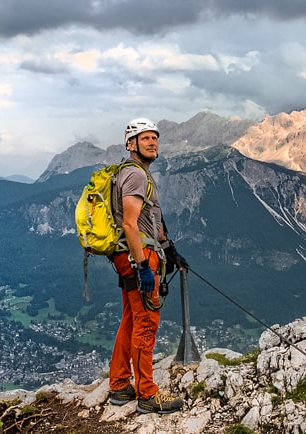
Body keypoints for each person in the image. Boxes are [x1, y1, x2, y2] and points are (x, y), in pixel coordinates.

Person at [103, 118, 187, 414]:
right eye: (145, 138)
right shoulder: (136, 176)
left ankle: (119, 384)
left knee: (130, 318)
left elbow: (149, 220)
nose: (152, 142)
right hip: (138, 257)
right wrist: (143, 267)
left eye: (155, 138)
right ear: (131, 144)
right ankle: (147, 394)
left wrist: (169, 248)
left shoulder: (136, 174)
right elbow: (129, 222)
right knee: (147, 323)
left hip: (131, 256)